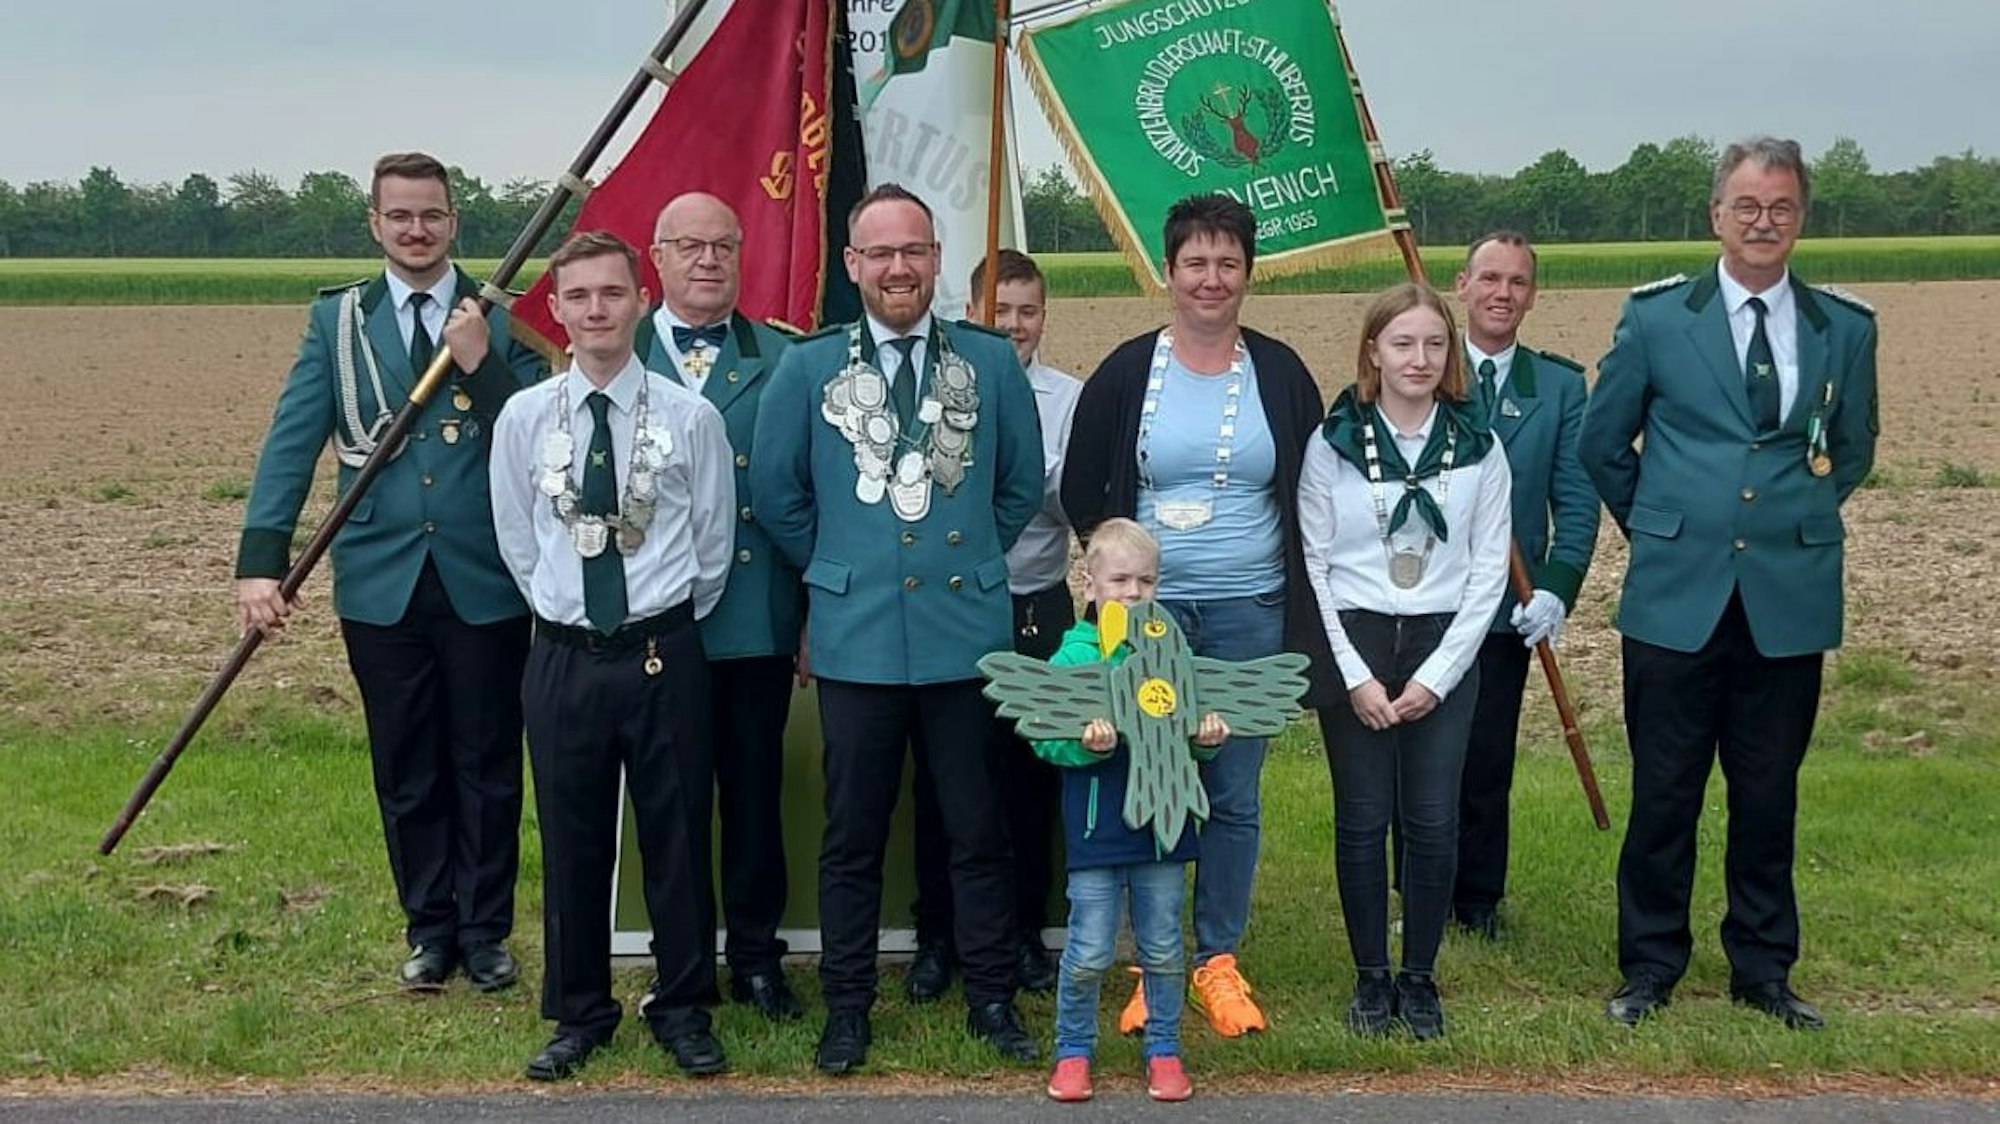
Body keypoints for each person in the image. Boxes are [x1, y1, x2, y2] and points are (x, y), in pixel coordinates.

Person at [1580, 136, 1878, 1031]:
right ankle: (1650, 967)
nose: (1763, 222)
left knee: (1767, 792)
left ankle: (1764, 972)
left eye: (1781, 207)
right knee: (1665, 789)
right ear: (1716, 214)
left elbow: (1853, 448)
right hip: (1677, 595)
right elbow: (1603, 442)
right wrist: (1666, 524)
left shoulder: (1844, 328)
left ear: (1802, 219)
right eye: (1746, 206)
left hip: (1787, 598)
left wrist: (1780, 524)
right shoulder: (1659, 320)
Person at [750, 184, 1046, 1073]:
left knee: (976, 825)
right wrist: (843, 562)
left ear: (935, 259)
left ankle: (991, 995)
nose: (897, 269)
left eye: (912, 251)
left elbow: (1018, 488)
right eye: (878, 254)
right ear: (853, 266)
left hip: (964, 629)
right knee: (853, 835)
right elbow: (778, 494)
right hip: (861, 632)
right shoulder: (807, 370)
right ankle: (848, 1006)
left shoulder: (989, 364)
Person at [235, 151, 545, 993]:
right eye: (400, 216)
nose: (417, 230)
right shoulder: (335, 322)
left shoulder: (502, 314)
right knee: (406, 761)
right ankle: (429, 929)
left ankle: (487, 933)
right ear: (375, 223)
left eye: (432, 215)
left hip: (484, 571)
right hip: (382, 575)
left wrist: (480, 362)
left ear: (455, 222)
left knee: (486, 759)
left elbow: (536, 432)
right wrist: (261, 563)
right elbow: (293, 442)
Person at [1060, 192, 1334, 1038]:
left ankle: (1217, 957)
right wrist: (1125, 587)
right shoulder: (1126, 371)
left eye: (1227, 263)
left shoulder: (1282, 375)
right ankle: (1154, 966)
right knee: (1147, 782)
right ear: (1168, 271)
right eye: (1194, 263)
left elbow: (1314, 494)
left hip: (1251, 613)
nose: (1210, 279)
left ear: (1248, 273)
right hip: (1150, 620)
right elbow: (1081, 490)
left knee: (1232, 791)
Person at [489, 231, 736, 1079]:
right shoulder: (523, 418)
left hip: (664, 650)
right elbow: (519, 542)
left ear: (640, 302)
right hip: (562, 658)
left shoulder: (688, 417)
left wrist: (652, 623)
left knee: (676, 836)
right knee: (571, 836)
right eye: (579, 297)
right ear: (555, 311)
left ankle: (684, 1005)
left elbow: (711, 542)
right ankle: (579, 1010)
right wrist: (570, 620)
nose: (596, 311)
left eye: (611, 294)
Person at [1302, 282, 1512, 1041]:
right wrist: (1353, 675)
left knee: (1431, 821)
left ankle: (1419, 978)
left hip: (1441, 643)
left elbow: (1489, 571)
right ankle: (1369, 979)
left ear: (1449, 354)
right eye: (1402, 344)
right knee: (1362, 820)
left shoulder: (1479, 446)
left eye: (1433, 344)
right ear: (1372, 352)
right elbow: (1315, 562)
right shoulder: (1333, 444)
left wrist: (1436, 677)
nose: (1418, 359)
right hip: (1355, 636)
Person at [636, 192, 803, 1022]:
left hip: (749, 615)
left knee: (750, 796)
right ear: (656, 257)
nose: (708, 260)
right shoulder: (611, 354)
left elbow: (805, 492)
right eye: (689, 245)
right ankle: (680, 962)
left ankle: (758, 956)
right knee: (670, 800)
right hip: (649, 623)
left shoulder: (783, 358)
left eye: (724, 246)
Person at [908, 249, 1081, 1001]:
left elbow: (1065, 499)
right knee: (945, 779)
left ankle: (1022, 935)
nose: (1013, 326)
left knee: (1028, 778)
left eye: (1027, 310)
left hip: (1034, 606)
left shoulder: (1068, 398)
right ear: (970, 310)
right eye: (998, 310)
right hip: (950, 609)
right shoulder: (938, 387)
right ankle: (935, 936)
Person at [1446, 232, 1600, 938]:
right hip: (1425, 602)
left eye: (1517, 282)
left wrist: (1557, 589)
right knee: (1416, 757)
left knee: (1485, 757)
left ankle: (1478, 901)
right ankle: (1414, 891)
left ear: (1532, 295)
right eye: (1490, 279)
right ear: (1462, 285)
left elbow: (1575, 497)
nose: (1502, 294)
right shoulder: (1425, 366)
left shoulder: (1562, 387)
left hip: (1509, 604)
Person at [1037, 518, 1218, 1105]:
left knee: (1163, 947)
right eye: (1119, 579)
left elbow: (1193, 729)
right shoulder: (1073, 655)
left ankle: (1164, 1049)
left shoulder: (1174, 648)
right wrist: (1081, 744)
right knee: (1088, 951)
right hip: (1097, 829)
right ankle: (1072, 1052)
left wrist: (1208, 736)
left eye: (1146, 580)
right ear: (1089, 585)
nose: (1133, 592)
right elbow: (1044, 737)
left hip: (1162, 831)